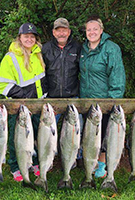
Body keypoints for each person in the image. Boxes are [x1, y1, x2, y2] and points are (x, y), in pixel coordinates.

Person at [0, 23, 48, 181]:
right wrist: (23, 95)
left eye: (32, 36)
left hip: (38, 104)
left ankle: (35, 162)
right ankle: (15, 166)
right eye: (26, 36)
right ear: (20, 38)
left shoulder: (38, 54)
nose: (29, 39)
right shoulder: (10, 57)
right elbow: (1, 84)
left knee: (37, 136)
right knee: (15, 139)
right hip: (18, 106)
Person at [79, 16, 126, 178]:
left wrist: (113, 101)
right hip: (86, 101)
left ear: (101, 30)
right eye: (89, 29)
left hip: (105, 101)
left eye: (95, 29)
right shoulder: (83, 49)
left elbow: (117, 76)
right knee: (90, 136)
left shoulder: (111, 48)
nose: (92, 32)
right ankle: (91, 163)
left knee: (105, 135)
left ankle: (102, 165)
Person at [41, 18, 83, 168]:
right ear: (53, 32)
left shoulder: (77, 48)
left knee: (77, 130)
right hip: (52, 98)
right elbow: (40, 73)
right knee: (46, 131)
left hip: (73, 96)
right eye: (58, 30)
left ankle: (75, 158)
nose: (61, 33)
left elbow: (83, 71)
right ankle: (48, 159)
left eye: (64, 30)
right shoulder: (45, 49)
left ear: (69, 31)